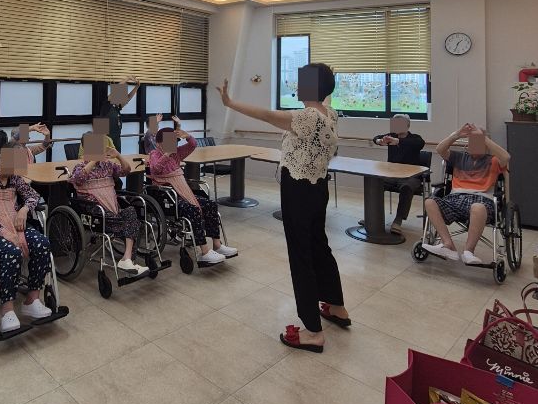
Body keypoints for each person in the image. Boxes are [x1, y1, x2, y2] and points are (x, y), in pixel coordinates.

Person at [217, 66, 348, 353]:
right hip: (318, 187)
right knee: (319, 246)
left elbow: (266, 115)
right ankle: (337, 307)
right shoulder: (330, 113)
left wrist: (230, 103)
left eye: (302, 82)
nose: (297, 86)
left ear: (312, 87)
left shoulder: (307, 117)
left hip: (299, 190)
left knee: (301, 255)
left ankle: (313, 331)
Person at [0, 143, 53, 331]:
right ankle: (7, 310)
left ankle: (32, 300)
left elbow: (33, 196)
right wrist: (5, 232)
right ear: (1, 158)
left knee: (42, 243)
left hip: (15, 225)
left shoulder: (16, 179)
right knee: (12, 252)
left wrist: (24, 209)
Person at [423, 123, 510, 265]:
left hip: (482, 200)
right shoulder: (458, 157)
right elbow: (440, 149)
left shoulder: (494, 160)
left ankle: (469, 251)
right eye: (473, 142)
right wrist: (456, 135)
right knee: (429, 202)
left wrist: (483, 137)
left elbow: (506, 157)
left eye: (479, 142)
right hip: (455, 198)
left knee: (477, 207)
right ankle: (448, 245)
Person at [148, 127, 237, 264]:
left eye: (174, 141)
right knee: (193, 209)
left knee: (210, 205)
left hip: (183, 193)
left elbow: (193, 145)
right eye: (169, 141)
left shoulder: (177, 153)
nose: (173, 144)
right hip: (169, 197)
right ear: (159, 143)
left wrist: (188, 136)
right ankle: (204, 252)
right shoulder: (154, 154)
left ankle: (217, 245)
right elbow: (155, 168)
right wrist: (167, 154)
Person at [69, 134, 148, 275]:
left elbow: (126, 170)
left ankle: (126, 259)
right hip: (94, 211)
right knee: (130, 224)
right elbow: (78, 178)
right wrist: (94, 160)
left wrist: (118, 155)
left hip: (112, 209)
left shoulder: (108, 165)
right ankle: (127, 259)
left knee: (131, 211)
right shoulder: (79, 167)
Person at [369, 114, 425, 234]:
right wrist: (380, 141)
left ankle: (398, 220)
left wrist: (398, 141)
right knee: (375, 182)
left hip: (411, 177)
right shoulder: (391, 136)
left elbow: (419, 144)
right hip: (392, 175)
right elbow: (376, 138)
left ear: (407, 125)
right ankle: (372, 216)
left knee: (407, 187)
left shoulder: (415, 138)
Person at [99, 76, 140, 151]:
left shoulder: (117, 108)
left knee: (117, 157)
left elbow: (128, 98)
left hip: (116, 139)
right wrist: (127, 79)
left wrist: (137, 87)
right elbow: (117, 89)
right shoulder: (107, 105)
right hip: (106, 140)